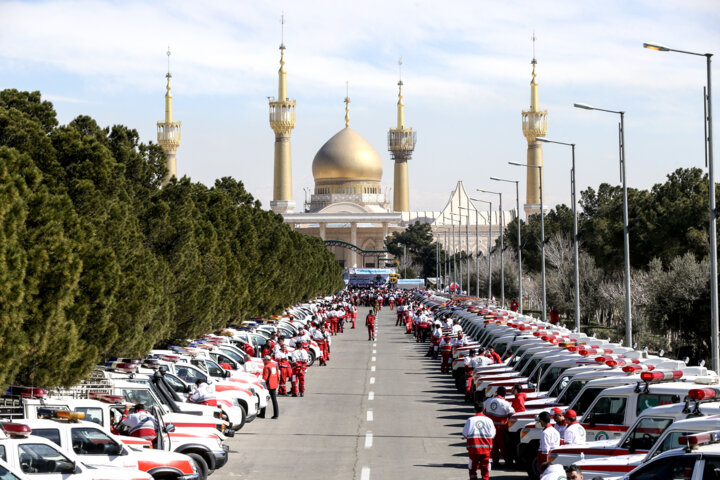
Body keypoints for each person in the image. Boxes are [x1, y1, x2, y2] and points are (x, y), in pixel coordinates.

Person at [462, 402, 495, 480]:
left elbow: (465, 433)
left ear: (474, 410)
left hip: (474, 450)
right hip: (486, 450)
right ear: (484, 409)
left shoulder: (470, 420)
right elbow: (492, 434)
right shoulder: (489, 420)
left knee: (472, 469)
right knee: (485, 470)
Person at [483, 386, 515, 467]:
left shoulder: (488, 400)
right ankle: (508, 462)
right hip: (501, 428)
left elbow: (482, 408)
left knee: (494, 446)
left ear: (496, 392)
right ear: (504, 394)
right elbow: (512, 413)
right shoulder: (505, 403)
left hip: (489, 428)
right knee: (503, 445)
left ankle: (495, 462)